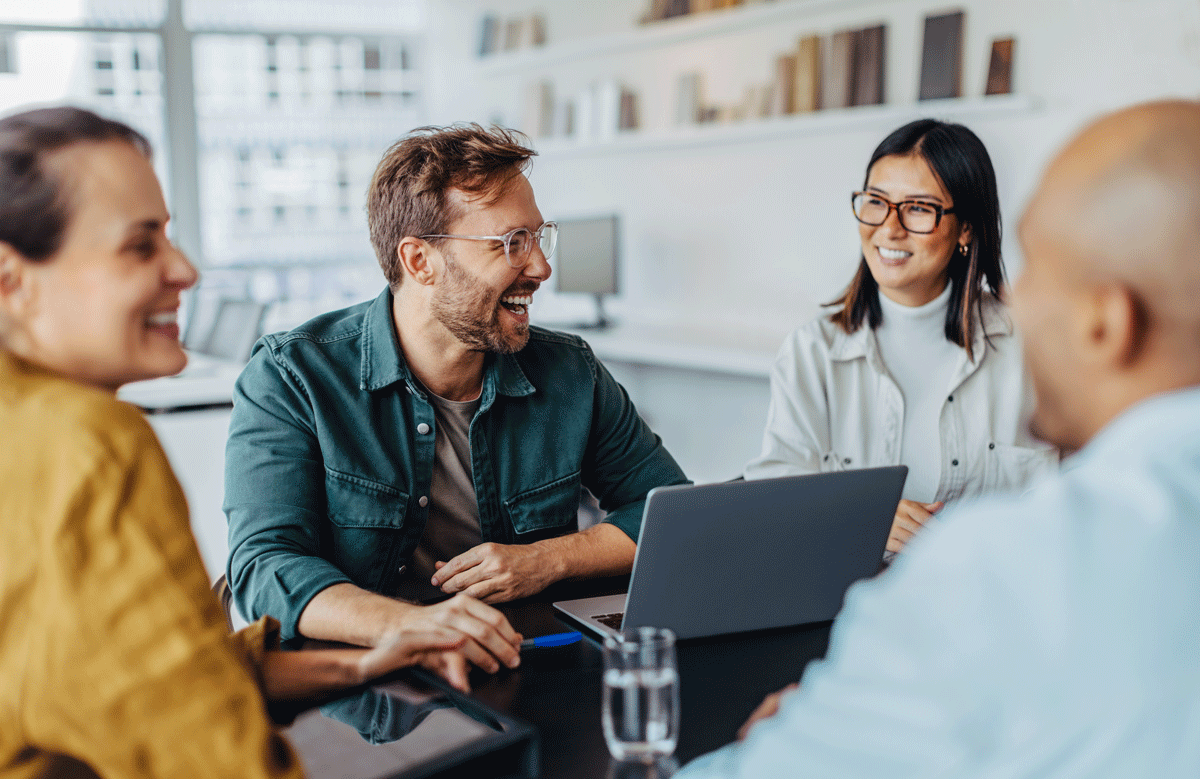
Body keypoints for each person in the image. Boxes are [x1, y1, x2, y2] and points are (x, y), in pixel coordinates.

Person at [677, 99, 1200, 778]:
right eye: (875, 202)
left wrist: (825, 725)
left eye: (1038, 267)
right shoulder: (814, 348)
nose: (1017, 300)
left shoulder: (986, 573)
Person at [0, 107, 473, 779]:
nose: (185, 269)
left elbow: (121, 672)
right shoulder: (89, 443)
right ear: (12, 281)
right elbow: (211, 755)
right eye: (140, 246)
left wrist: (358, 661)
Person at [224, 124, 688, 671]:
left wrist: (546, 560)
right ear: (420, 261)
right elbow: (264, 565)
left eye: (540, 237)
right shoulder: (291, 376)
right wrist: (413, 625)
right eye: (513, 242)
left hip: (525, 671)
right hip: (362, 692)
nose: (541, 267)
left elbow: (671, 515)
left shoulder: (571, 371)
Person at [745, 119, 1056, 555]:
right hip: (852, 602)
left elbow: (1079, 491)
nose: (889, 228)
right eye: (876, 202)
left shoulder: (1031, 344)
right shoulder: (811, 351)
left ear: (965, 227)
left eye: (918, 208)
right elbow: (769, 501)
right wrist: (860, 515)